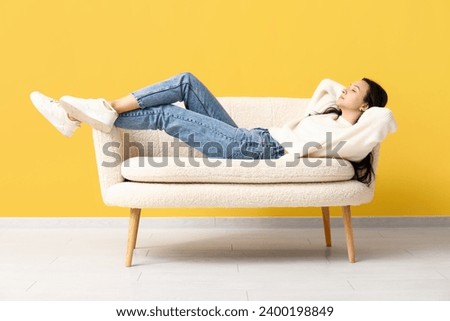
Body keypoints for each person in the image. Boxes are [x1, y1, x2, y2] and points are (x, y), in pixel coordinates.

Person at [30, 72, 397, 185]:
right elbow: (328, 85)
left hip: (256, 148)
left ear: (365, 106)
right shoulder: (329, 117)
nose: (345, 90)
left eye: (355, 91)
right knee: (186, 81)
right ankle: (95, 110)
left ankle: (77, 114)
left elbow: (384, 118)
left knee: (165, 115)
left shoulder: (348, 135)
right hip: (249, 135)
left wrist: (369, 107)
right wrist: (348, 98)